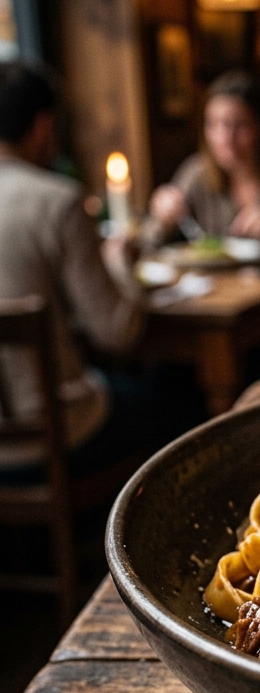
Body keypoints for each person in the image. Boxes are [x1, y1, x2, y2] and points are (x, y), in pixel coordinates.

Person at [0, 62, 150, 478]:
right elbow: (117, 332)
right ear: (43, 126)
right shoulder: (57, 201)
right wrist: (120, 264)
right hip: (56, 435)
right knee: (173, 402)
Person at [144, 71, 260, 253]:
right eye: (213, 124)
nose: (225, 138)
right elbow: (146, 242)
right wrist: (162, 221)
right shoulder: (196, 172)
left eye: (239, 125)